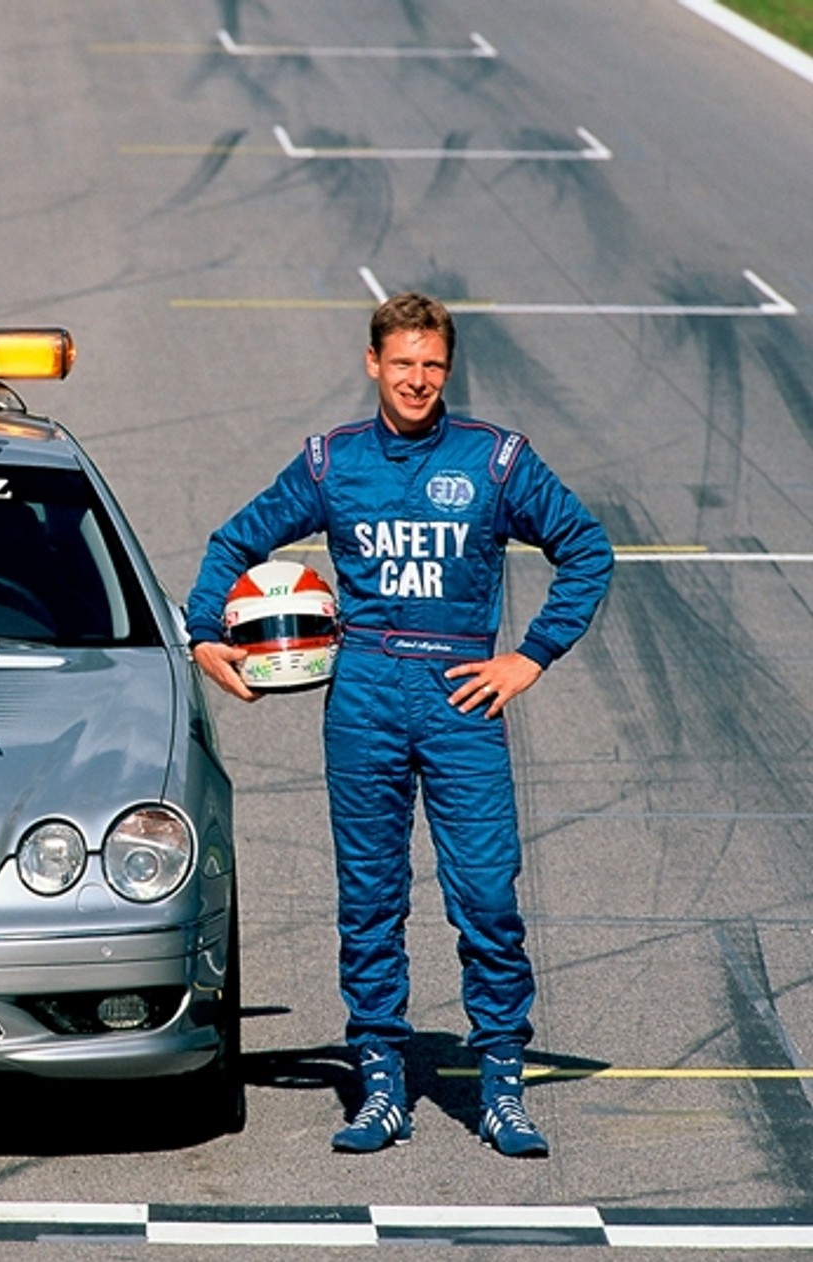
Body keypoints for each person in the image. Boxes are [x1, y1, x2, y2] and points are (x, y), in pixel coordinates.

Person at [184, 292, 613, 1157]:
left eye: (433, 366)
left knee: (487, 896)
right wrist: (204, 634)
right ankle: (379, 1080)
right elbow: (233, 543)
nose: (418, 380)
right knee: (372, 900)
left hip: (462, 697)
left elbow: (587, 550)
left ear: (446, 370)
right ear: (372, 363)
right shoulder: (331, 461)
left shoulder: (494, 460)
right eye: (403, 363)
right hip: (367, 695)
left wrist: (528, 657)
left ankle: (501, 1083)